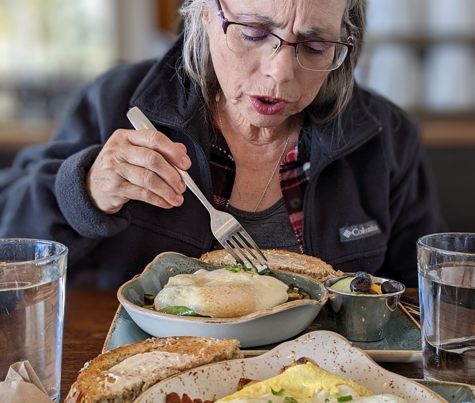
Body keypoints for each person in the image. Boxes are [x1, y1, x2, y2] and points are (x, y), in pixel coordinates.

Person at [0, 0, 445, 289]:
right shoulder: (115, 103)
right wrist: (86, 190)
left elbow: (423, 299)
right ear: (204, 14)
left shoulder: (386, 137)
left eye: (314, 46)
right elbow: (10, 243)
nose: (279, 73)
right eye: (253, 32)